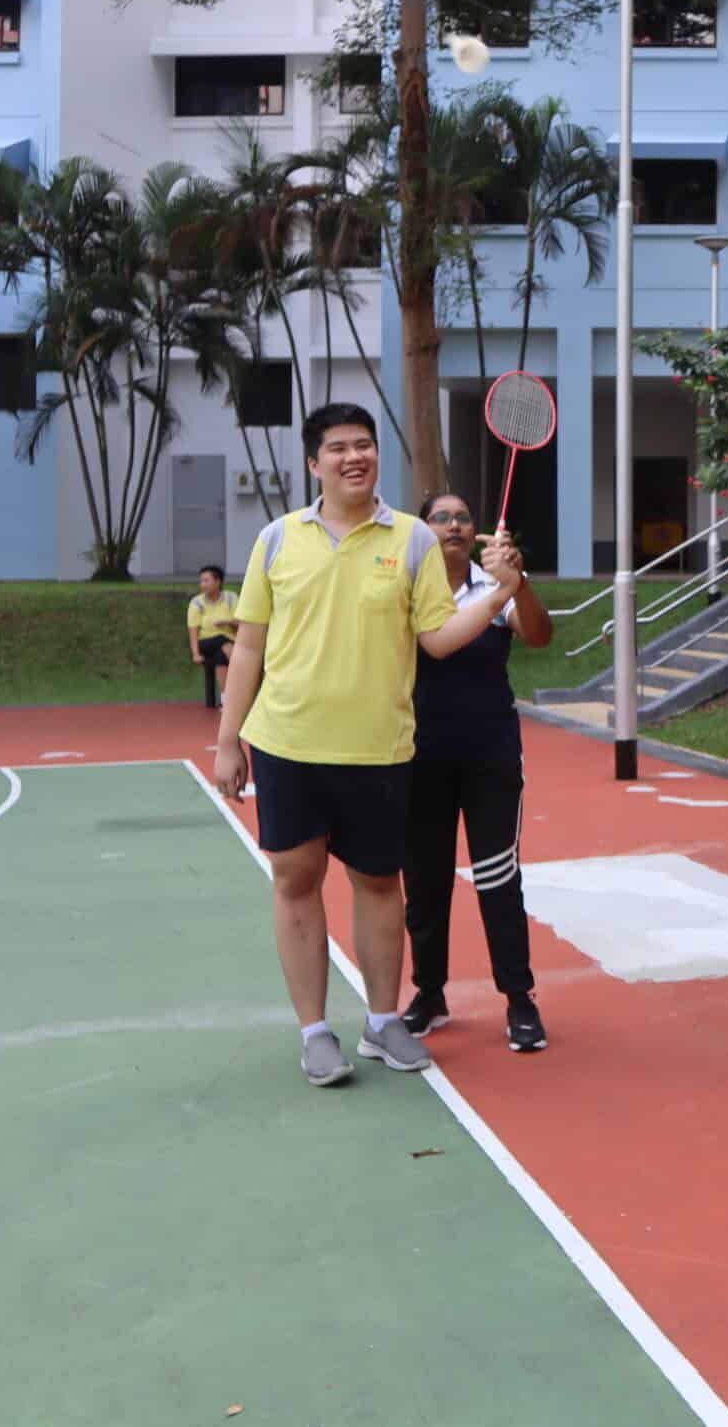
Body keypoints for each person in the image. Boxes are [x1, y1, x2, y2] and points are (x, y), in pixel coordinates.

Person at [213, 404, 523, 1090]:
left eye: (365, 445)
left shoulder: (412, 539)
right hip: (288, 741)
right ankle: (314, 1032)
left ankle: (385, 1022)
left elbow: (438, 638)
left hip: (380, 746)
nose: (355, 456)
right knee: (296, 879)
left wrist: (504, 588)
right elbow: (250, 648)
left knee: (381, 883)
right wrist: (227, 740)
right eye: (339, 447)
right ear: (314, 461)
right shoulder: (276, 539)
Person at [398, 492, 553, 1054]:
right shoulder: (407, 591)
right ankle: (430, 994)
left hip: (490, 756)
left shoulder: (498, 588)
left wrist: (519, 581)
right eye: (441, 517)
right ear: (422, 531)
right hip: (418, 756)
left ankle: (519, 998)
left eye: (463, 517)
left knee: (498, 878)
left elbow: (539, 634)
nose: (455, 525)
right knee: (425, 881)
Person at [185, 564, 239, 709]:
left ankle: (225, 698)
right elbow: (193, 630)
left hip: (230, 642)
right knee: (221, 640)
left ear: (218, 581)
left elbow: (241, 622)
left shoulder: (231, 597)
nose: (202, 584)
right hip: (206, 643)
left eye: (206, 580)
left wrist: (227, 622)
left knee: (222, 655)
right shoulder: (196, 602)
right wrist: (195, 653)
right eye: (201, 581)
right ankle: (239, 665)